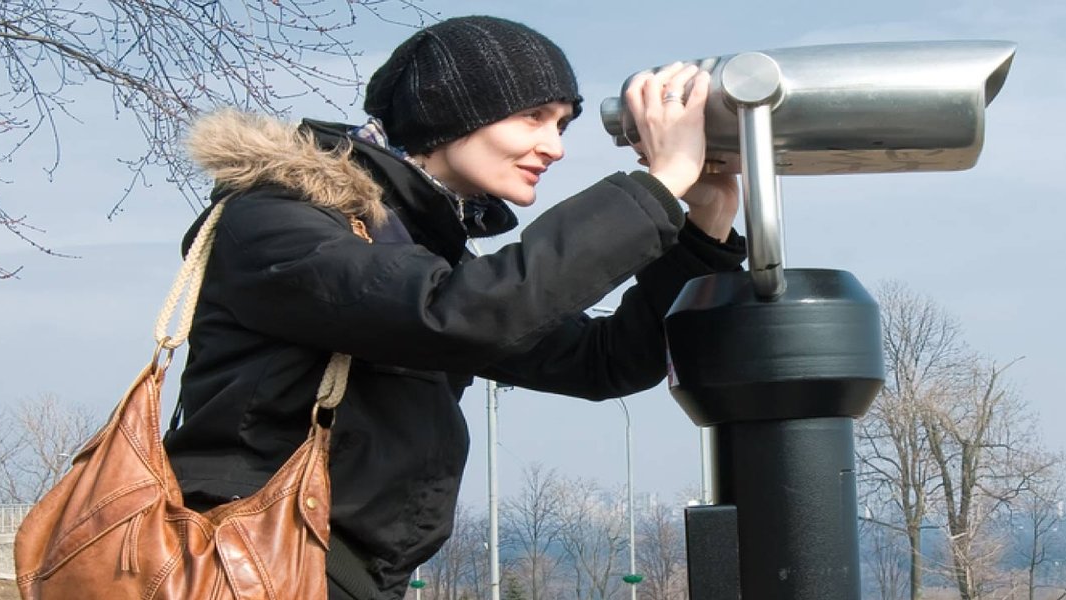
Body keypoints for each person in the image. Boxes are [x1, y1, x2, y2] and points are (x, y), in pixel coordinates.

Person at [161, 15, 743, 599]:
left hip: (333, 577)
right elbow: (465, 312)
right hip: (243, 568)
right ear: (447, 112)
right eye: (533, 117)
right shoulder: (277, 220)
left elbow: (603, 360)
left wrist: (701, 231)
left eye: (562, 124)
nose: (555, 147)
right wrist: (659, 184)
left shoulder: (421, 258)